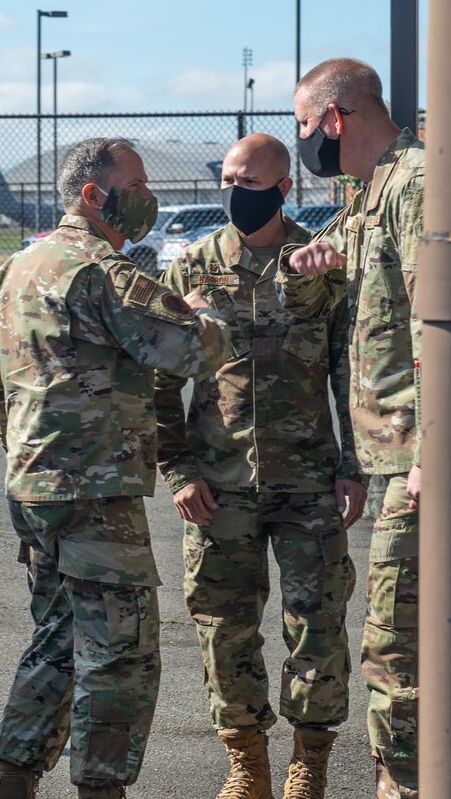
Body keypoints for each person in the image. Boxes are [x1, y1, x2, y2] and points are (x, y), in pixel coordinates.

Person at [0, 136, 231, 799]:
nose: (148, 198)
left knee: (56, 642)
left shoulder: (19, 267)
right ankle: (100, 789)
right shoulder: (101, 269)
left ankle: (13, 780)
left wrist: (30, 441)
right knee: (121, 658)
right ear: (93, 194)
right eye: (136, 184)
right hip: (95, 496)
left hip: (35, 490)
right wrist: (206, 314)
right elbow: (187, 351)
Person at [154, 132, 366, 799]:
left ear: (281, 188)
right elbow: (160, 379)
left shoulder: (322, 265)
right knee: (223, 627)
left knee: (319, 623)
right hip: (220, 485)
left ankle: (312, 760)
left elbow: (347, 372)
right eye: (225, 178)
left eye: (246, 181)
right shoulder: (192, 266)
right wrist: (177, 469)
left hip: (308, 482)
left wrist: (353, 465)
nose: (231, 192)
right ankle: (246, 762)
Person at [276, 58, 423, 799]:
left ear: (335, 118)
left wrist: (434, 455)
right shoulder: (370, 193)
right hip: (394, 458)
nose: (303, 138)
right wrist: (316, 260)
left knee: (396, 652)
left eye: (303, 124)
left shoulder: (418, 183)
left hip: (422, 461)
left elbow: (439, 326)